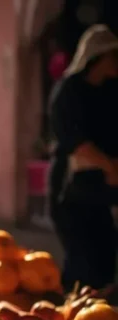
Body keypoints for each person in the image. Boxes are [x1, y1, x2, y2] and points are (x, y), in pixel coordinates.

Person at [48, 25, 118, 292]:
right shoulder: (68, 92)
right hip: (71, 190)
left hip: (102, 190)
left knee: (105, 253)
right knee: (82, 258)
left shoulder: (110, 92)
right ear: (97, 57)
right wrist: (109, 165)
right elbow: (76, 142)